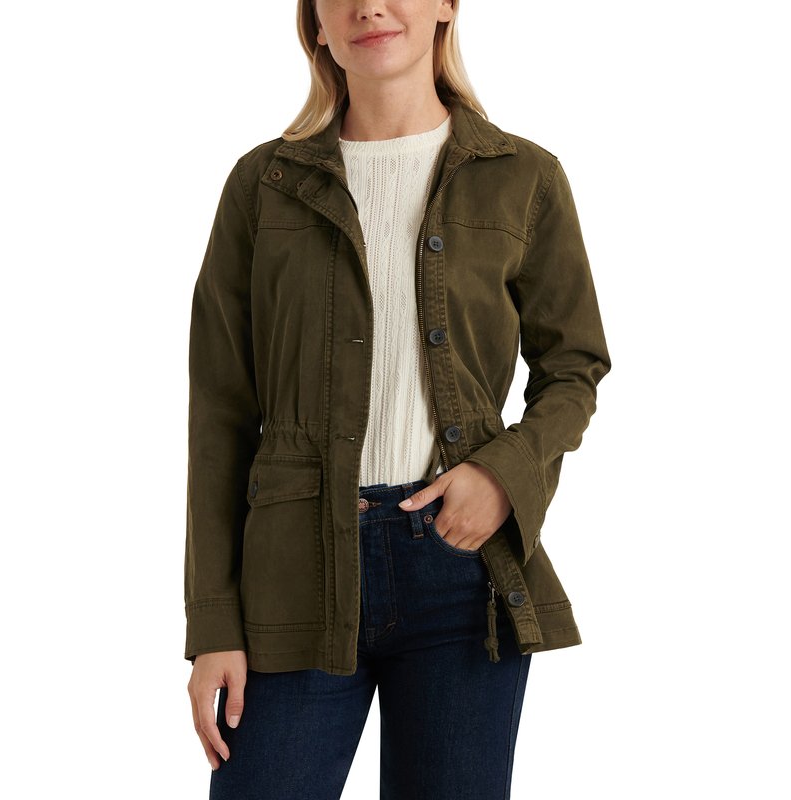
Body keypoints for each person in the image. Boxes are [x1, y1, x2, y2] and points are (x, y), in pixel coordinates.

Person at [184, 1, 612, 798]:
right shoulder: (263, 185)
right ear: (317, 23)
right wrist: (213, 622)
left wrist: (503, 475)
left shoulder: (523, 178)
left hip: (460, 572)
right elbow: (220, 414)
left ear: (446, 5)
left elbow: (575, 366)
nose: (370, 5)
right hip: (291, 572)